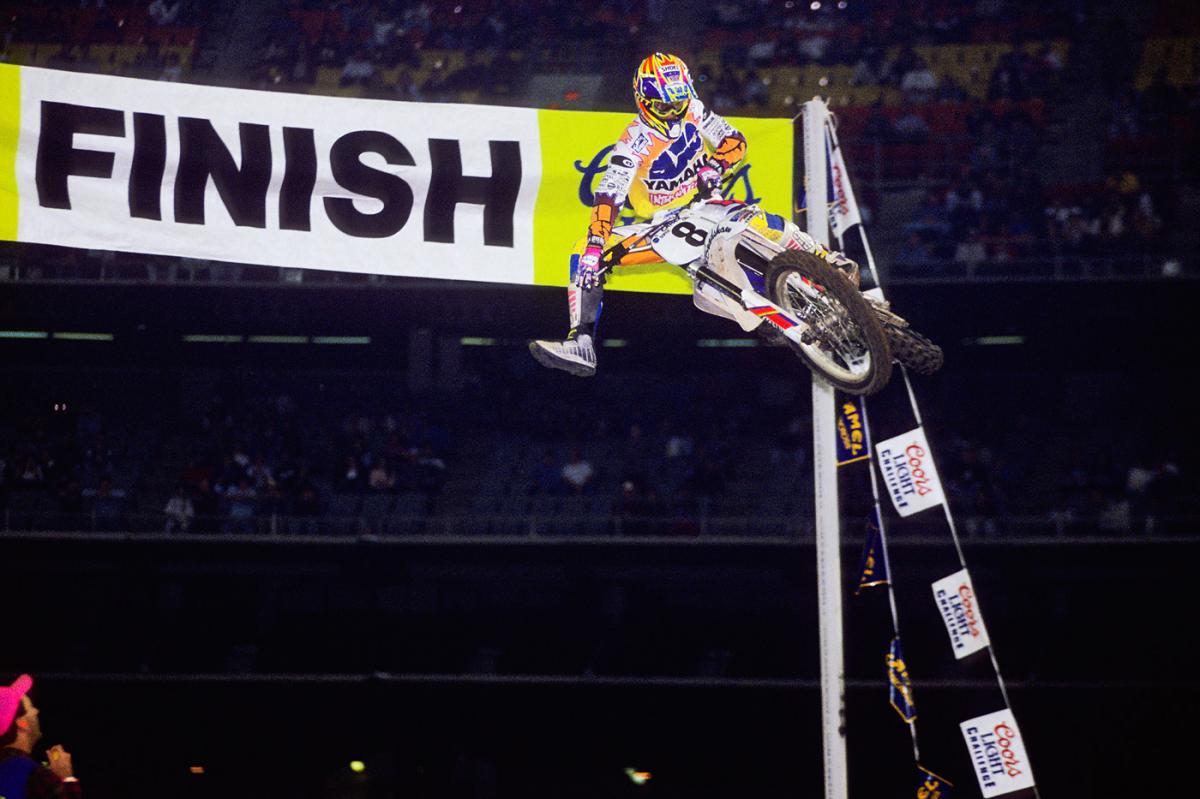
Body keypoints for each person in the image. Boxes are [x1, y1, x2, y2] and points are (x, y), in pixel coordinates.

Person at [530, 52, 859, 377]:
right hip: (659, 226)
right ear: (644, 101)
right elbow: (609, 195)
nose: (674, 113)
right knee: (590, 255)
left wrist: (717, 164)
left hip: (706, 205)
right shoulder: (632, 143)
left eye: (679, 103)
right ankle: (582, 341)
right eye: (665, 107)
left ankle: (829, 261)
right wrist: (594, 245)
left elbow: (735, 140)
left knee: (759, 221)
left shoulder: (694, 110)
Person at [0, 674, 82, 798]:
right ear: (22, 723)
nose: (36, 711)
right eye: (31, 707)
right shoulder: (36, 776)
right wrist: (67, 777)